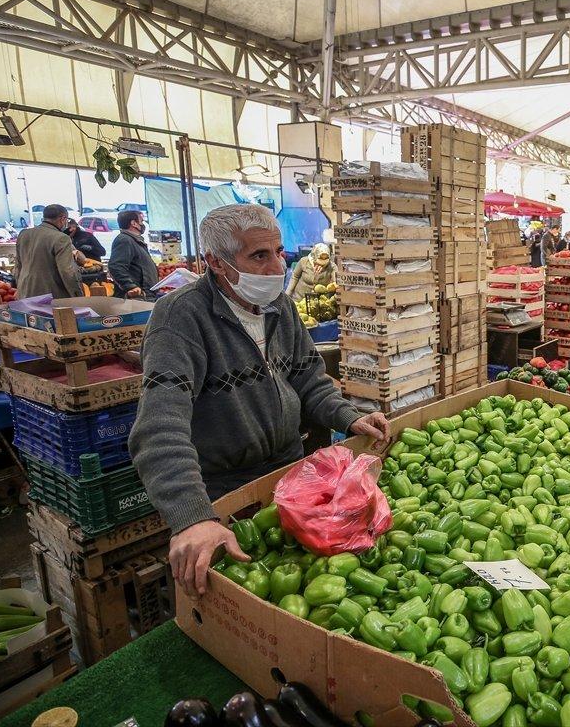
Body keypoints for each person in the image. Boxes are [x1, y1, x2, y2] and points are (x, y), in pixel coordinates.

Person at [129, 204, 390, 597]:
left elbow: (308, 380)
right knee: (238, 591)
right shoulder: (181, 318)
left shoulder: (280, 308)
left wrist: (349, 417)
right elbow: (159, 427)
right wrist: (193, 518)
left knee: (299, 584)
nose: (275, 267)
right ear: (216, 262)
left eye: (278, 252)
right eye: (258, 256)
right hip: (224, 490)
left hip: (289, 475)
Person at [13, 203, 83, 300]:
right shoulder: (61, 238)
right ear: (62, 219)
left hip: (25, 293)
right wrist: (77, 295)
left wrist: (20, 287)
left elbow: (18, 266)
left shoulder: (24, 234)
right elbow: (67, 270)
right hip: (49, 296)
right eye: (66, 220)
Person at [108, 210, 158, 298]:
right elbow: (116, 266)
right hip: (137, 297)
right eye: (141, 221)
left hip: (146, 295)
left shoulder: (135, 240)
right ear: (133, 223)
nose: (143, 224)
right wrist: (131, 286)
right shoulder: (125, 240)